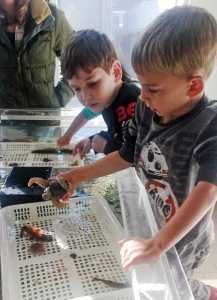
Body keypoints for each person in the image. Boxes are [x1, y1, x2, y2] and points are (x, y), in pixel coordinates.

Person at [30, 6, 217, 300]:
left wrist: (157, 244)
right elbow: (127, 154)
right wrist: (77, 175)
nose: (141, 95)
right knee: (161, 275)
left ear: (193, 86)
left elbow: (208, 192)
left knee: (176, 284)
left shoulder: (209, 125)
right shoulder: (146, 108)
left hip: (184, 235)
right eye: (141, 85)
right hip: (154, 215)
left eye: (152, 88)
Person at [57, 29, 140, 157]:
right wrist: (87, 140)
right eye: (77, 89)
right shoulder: (104, 100)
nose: (85, 97)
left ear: (116, 72)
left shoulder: (132, 100)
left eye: (93, 84)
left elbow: (139, 150)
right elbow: (86, 115)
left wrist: (107, 146)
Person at [0, 0, 73, 108]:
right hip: (5, 121)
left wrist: (58, 100)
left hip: (45, 120)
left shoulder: (51, 16)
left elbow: (77, 61)